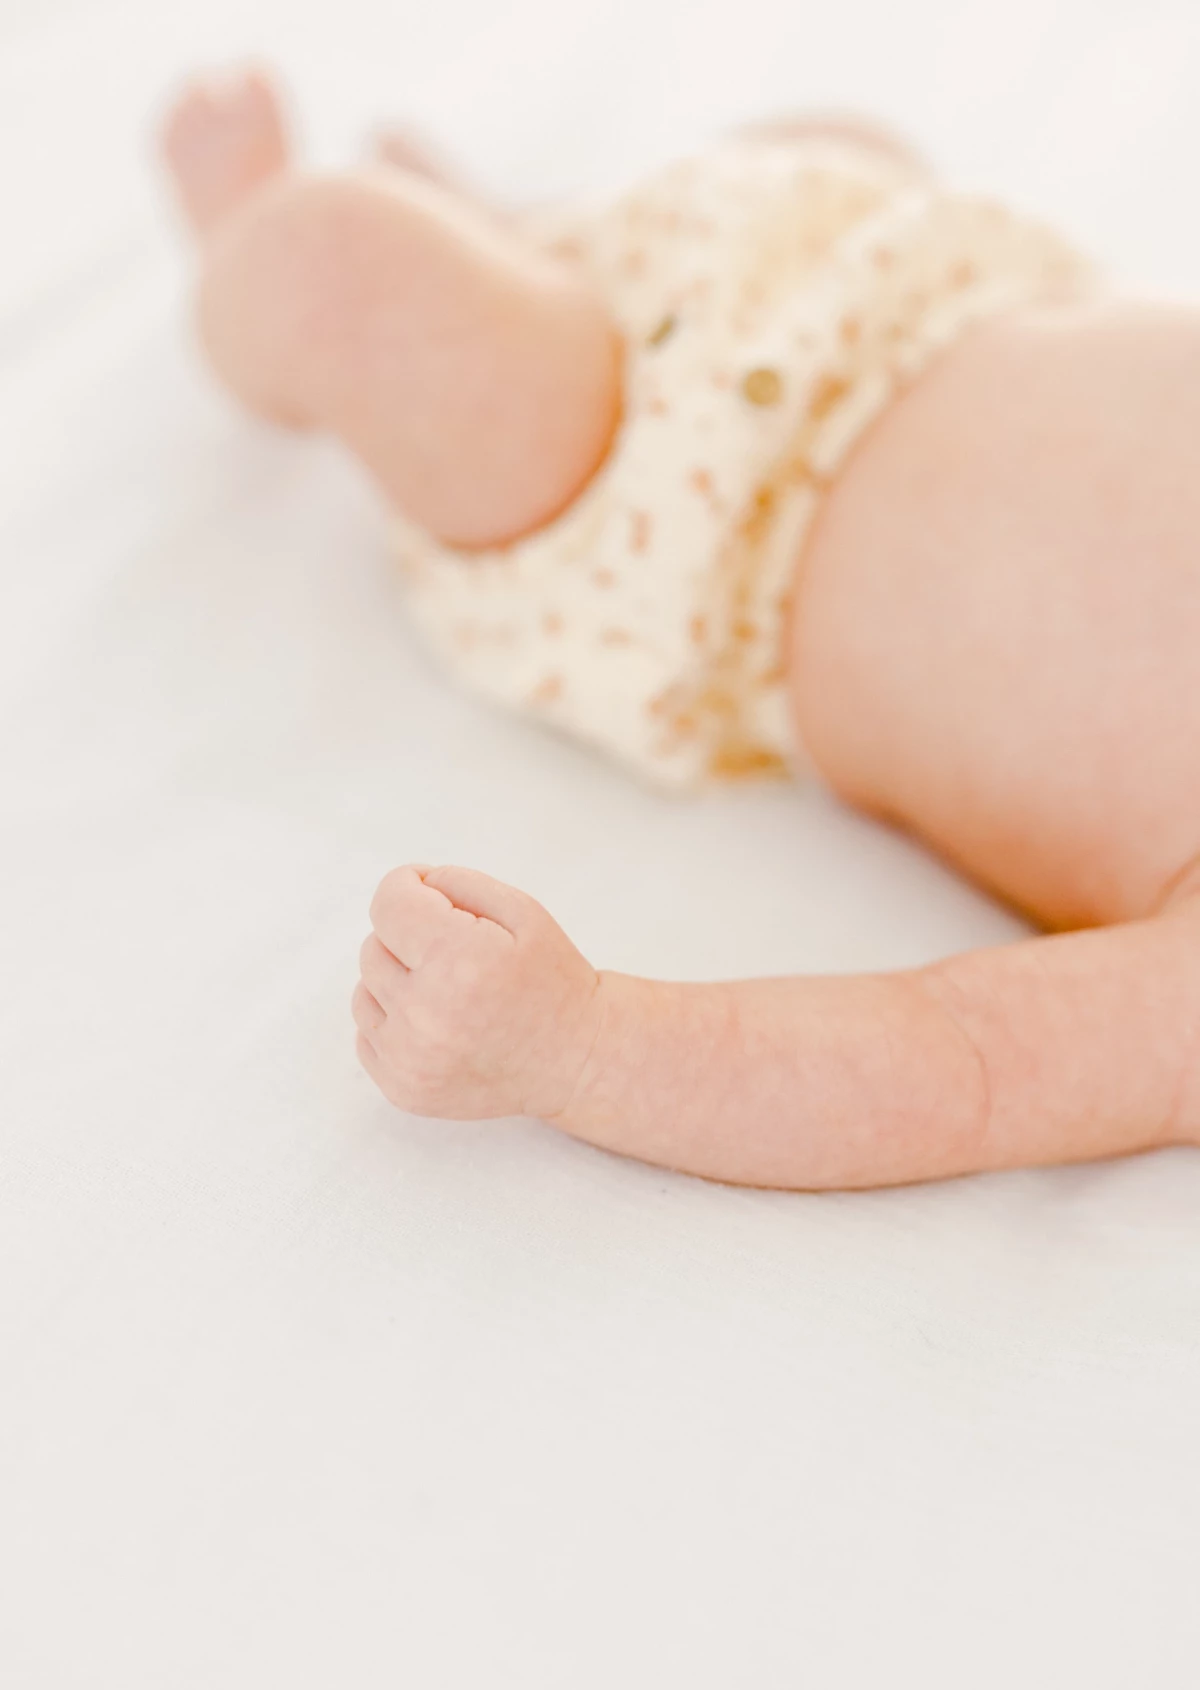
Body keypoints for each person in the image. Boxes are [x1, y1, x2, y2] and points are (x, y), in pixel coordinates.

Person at [161, 67, 1200, 1190]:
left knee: (342, 273)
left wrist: (588, 1045)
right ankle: (526, 237)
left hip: (685, 511)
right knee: (833, 126)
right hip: (908, 272)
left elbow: (955, 1067)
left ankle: (250, 240)